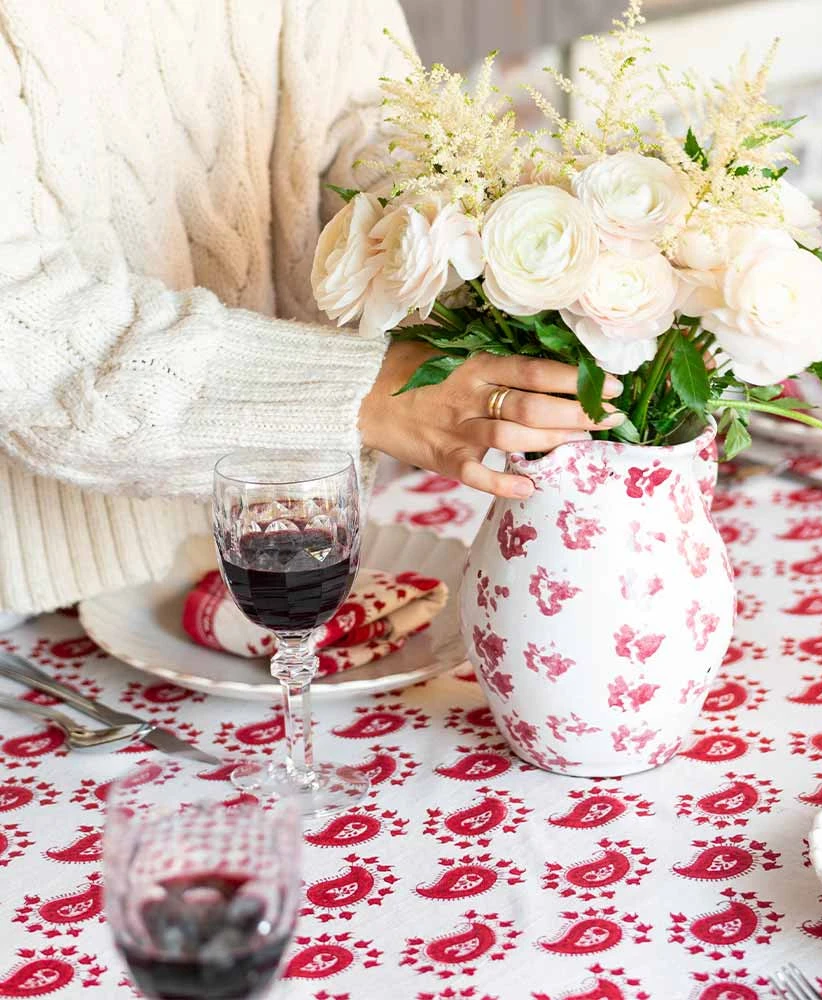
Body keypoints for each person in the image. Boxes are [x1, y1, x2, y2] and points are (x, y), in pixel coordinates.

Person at [0, 0, 623, 617]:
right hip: (38, 603)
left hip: (298, 538)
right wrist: (361, 393)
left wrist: (516, 261)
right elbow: (18, 322)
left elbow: (375, 131)